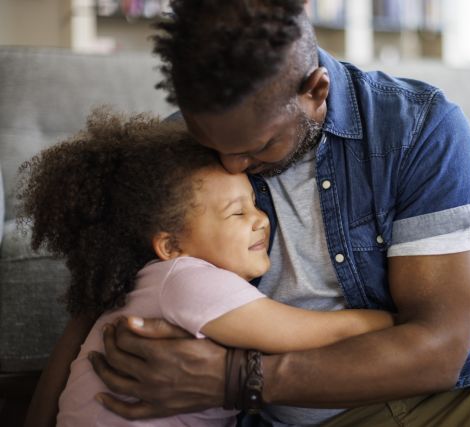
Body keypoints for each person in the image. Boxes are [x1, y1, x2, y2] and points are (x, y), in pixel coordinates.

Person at [26, 1, 470, 426]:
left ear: (314, 90)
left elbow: (438, 352)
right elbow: (88, 317)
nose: (232, 166)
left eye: (257, 146)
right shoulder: (174, 158)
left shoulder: (420, 128)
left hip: (439, 400)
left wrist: (235, 378)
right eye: (213, 143)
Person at [18, 110, 401, 426]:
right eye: (237, 212)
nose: (260, 220)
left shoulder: (154, 280)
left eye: (254, 202)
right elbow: (322, 333)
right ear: (171, 245)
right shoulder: (189, 281)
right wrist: (407, 324)